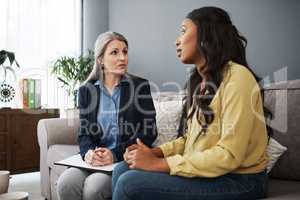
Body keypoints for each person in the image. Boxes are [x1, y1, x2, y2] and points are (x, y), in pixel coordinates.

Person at [112, 7, 270, 200]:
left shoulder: (237, 77)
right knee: (122, 168)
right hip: (212, 172)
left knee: (129, 184)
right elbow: (190, 141)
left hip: (241, 179)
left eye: (183, 30)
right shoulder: (201, 83)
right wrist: (155, 152)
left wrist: (160, 164)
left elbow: (229, 155)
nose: (177, 40)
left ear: (206, 35)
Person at [56, 31, 157, 200]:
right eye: (114, 52)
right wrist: (88, 152)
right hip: (96, 158)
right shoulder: (87, 91)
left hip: (123, 158)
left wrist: (115, 154)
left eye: (125, 52)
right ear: (100, 59)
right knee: (66, 182)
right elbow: (84, 133)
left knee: (94, 188)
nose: (122, 57)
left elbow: (149, 132)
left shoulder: (140, 87)